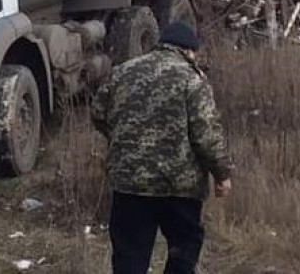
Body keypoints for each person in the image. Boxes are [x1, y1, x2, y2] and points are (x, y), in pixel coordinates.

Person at [91, 21, 233, 274]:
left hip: (130, 184)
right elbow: (206, 135)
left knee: (129, 257)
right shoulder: (192, 79)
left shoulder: (123, 71)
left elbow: (98, 112)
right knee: (183, 251)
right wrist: (221, 174)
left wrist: (123, 139)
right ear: (189, 50)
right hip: (179, 188)